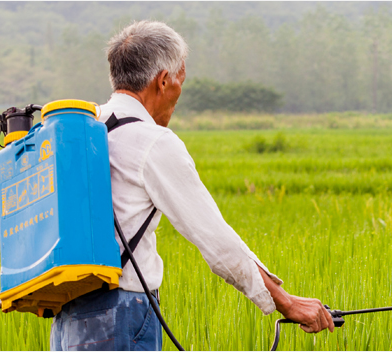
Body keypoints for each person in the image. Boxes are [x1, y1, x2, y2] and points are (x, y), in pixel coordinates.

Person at [49, 20, 334, 351]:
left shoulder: (80, 131)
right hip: (121, 314)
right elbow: (216, 241)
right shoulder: (152, 142)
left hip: (69, 314)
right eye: (180, 80)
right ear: (164, 80)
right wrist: (286, 303)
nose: (179, 91)